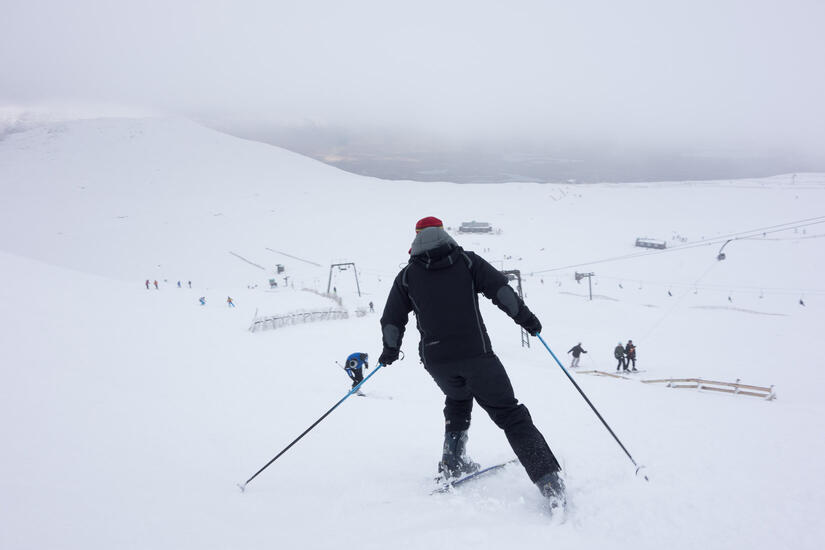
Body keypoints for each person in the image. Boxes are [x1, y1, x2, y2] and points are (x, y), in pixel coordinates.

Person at [379, 216, 565, 508]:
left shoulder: (406, 276)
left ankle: (453, 463)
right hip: (477, 356)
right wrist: (526, 319)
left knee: (457, 397)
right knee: (510, 414)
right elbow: (501, 292)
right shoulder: (467, 262)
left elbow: (392, 319)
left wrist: (390, 350)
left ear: (415, 239)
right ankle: (550, 483)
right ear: (444, 234)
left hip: (438, 362)